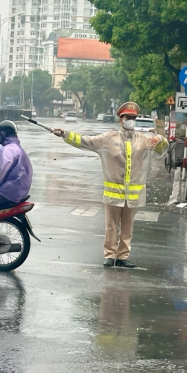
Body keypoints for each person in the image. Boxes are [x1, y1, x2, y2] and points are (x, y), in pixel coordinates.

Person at [52, 102, 168, 268]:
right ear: (121, 119)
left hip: (133, 195)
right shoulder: (108, 139)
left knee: (128, 228)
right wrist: (65, 134)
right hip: (114, 193)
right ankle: (109, 255)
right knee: (111, 226)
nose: (131, 121)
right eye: (128, 117)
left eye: (134, 118)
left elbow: (162, 148)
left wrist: (160, 139)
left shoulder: (144, 140)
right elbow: (85, 141)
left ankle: (122, 257)